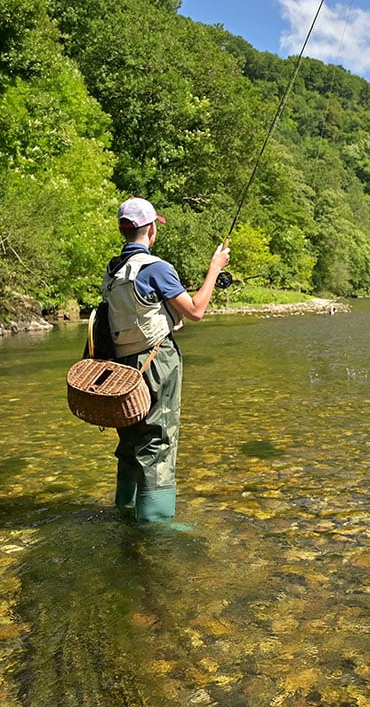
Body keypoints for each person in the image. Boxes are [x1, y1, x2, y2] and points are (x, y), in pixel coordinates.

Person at [101, 197, 230, 522]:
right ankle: (155, 524)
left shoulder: (114, 270)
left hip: (122, 367)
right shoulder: (156, 268)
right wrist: (214, 268)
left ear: (123, 230)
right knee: (158, 438)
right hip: (157, 363)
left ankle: (126, 509)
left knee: (130, 437)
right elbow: (197, 311)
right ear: (152, 229)